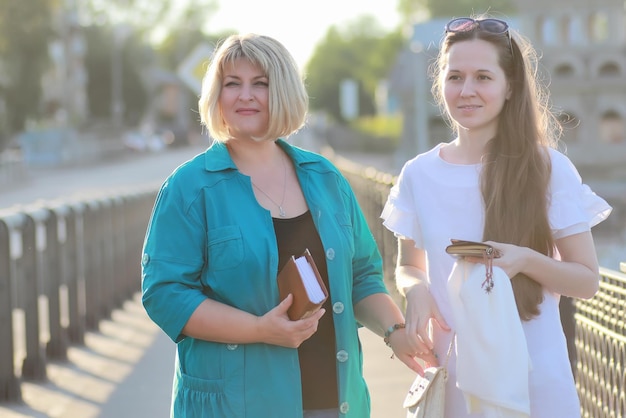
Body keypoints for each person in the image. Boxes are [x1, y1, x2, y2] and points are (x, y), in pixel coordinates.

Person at [141, 33, 421, 418]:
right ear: (216, 96)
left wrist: (396, 332)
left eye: (261, 84)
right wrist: (259, 329)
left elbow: (362, 275)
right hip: (235, 406)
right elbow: (165, 293)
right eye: (232, 84)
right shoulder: (189, 188)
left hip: (335, 402)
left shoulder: (325, 178)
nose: (245, 95)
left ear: (285, 91)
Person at [381, 15, 612, 418]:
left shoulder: (548, 168)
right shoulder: (418, 173)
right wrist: (416, 290)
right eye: (455, 77)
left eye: (483, 77)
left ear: (511, 87)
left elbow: (587, 281)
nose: (466, 91)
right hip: (452, 379)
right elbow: (409, 267)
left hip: (534, 382)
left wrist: (524, 260)